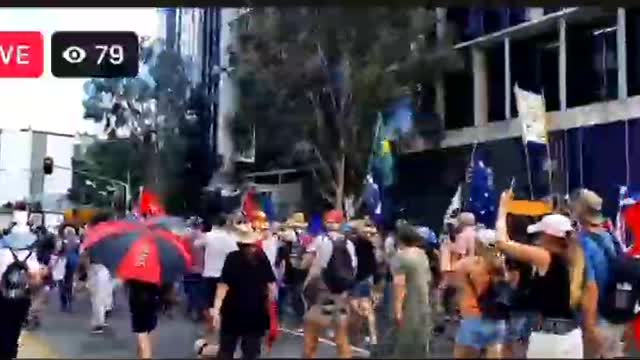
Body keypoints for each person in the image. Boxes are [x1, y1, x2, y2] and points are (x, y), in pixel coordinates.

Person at [494, 189, 592, 358]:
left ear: (548, 236)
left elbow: (502, 243)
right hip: (572, 336)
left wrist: (503, 208)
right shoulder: (577, 255)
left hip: (550, 339)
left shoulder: (545, 257)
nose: (537, 238)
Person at [571, 189, 627, 358]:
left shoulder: (582, 242)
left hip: (595, 318)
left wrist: (590, 325)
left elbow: (591, 286)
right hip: (615, 314)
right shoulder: (610, 236)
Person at [211, 220, 278, 360]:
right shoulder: (261, 257)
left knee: (226, 350)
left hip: (232, 309)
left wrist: (216, 309)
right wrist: (271, 307)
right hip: (256, 311)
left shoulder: (232, 258)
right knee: (251, 352)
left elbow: (223, 285)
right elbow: (271, 287)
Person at [302, 209, 357, 358]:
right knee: (341, 332)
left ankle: (310, 356)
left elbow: (311, 264)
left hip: (322, 291)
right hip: (341, 293)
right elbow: (353, 267)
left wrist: (306, 284)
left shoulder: (321, 240)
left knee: (312, 328)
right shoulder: (349, 243)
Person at [452, 228, 508, 358]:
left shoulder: (467, 265)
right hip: (497, 319)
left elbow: (456, 283)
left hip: (473, 317)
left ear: (479, 244)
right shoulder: (502, 264)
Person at [0, 224, 45, 358]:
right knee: (15, 327)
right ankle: (11, 352)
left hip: (3, 297)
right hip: (22, 298)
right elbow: (36, 282)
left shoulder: (2, 254)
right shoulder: (31, 256)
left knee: (3, 326)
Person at [390, 223, 432, 358]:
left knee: (405, 343)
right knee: (421, 342)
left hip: (409, 305)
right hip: (424, 302)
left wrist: (397, 309)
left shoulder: (400, 257)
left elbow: (399, 285)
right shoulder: (421, 254)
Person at [194, 214, 239, 334]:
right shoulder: (230, 238)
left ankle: (211, 326)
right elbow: (236, 253)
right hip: (224, 276)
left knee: (207, 303)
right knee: (220, 304)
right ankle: (218, 326)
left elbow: (196, 244)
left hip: (209, 274)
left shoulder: (209, 236)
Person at [348, 221, 379, 346]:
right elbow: (374, 264)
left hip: (355, 279)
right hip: (367, 278)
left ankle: (356, 335)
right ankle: (372, 336)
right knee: (367, 308)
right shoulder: (371, 245)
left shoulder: (352, 244)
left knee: (355, 308)